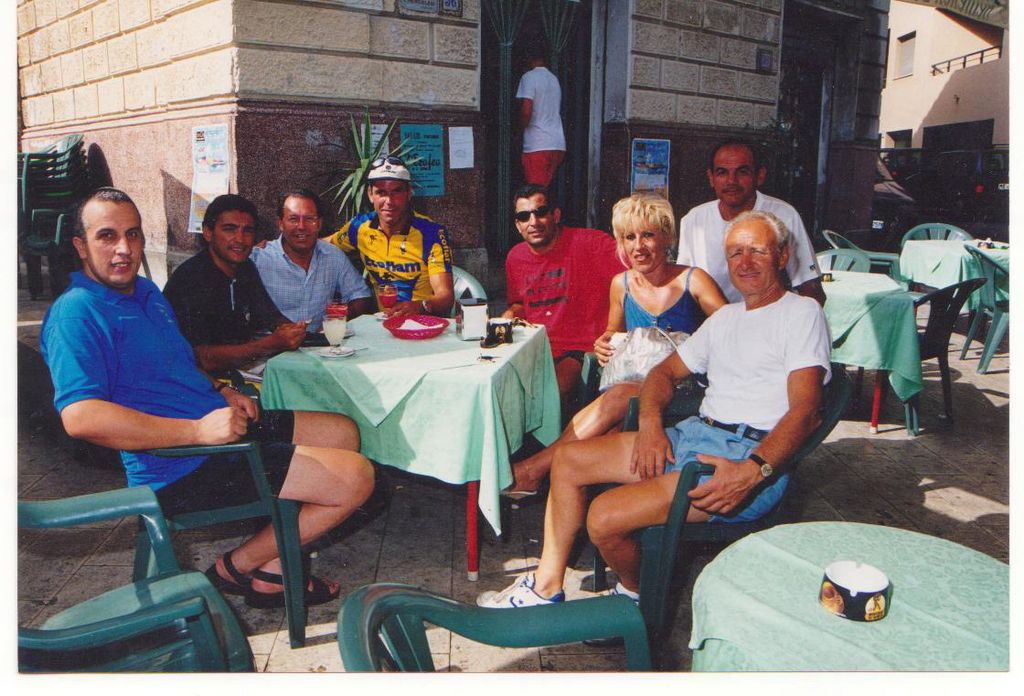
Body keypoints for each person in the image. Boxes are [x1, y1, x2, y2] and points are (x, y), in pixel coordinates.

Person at [41, 188, 375, 608]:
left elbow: (181, 360)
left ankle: (274, 571)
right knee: (356, 477)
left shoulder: (145, 291)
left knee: (342, 431)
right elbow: (81, 417)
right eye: (107, 236)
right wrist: (197, 431)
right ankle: (235, 566)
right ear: (80, 246)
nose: (124, 248)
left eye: (133, 234)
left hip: (219, 426)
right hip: (179, 463)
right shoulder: (76, 313)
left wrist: (222, 390)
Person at [478, 210, 832, 608]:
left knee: (603, 517)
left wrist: (754, 471)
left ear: (782, 256)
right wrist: (650, 425)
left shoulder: (802, 313)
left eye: (757, 251)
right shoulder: (727, 318)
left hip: (742, 456)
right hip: (694, 434)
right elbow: (663, 373)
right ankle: (547, 586)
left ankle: (637, 595)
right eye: (735, 253)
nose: (745, 262)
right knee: (569, 459)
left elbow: (805, 410)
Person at [504, 193, 726, 498]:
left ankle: (534, 470)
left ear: (667, 238)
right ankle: (572, 490)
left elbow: (731, 329)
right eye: (629, 237)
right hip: (633, 384)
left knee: (618, 399)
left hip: (682, 386)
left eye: (648, 235)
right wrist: (603, 343)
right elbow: (613, 331)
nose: (638, 246)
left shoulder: (692, 280)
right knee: (607, 428)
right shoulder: (621, 284)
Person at [502, 184, 627, 413]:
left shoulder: (591, 244)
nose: (533, 222)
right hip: (535, 348)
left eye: (540, 212)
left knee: (547, 397)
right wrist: (511, 313)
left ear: (556, 215)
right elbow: (519, 302)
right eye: (524, 216)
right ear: (518, 225)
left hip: (580, 351)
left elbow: (636, 275)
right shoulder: (515, 257)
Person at [163, 194, 306, 377]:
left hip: (243, 369)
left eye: (248, 231)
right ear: (208, 232)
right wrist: (271, 344)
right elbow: (201, 358)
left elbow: (270, 316)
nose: (240, 239)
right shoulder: (190, 279)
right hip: (200, 380)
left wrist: (293, 331)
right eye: (229, 229)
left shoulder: (245, 267)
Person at [678, 140, 825, 306]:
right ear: (711, 178)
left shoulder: (784, 215)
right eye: (722, 172)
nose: (731, 181)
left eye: (742, 172)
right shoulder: (694, 220)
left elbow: (810, 289)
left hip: (770, 317)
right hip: (712, 318)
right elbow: (684, 288)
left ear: (759, 176)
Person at [327, 156, 455, 318]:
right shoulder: (358, 227)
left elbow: (445, 297)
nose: (389, 201)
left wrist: (420, 306)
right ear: (370, 194)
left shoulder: (431, 233)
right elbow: (325, 244)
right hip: (382, 322)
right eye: (381, 192)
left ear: (408, 193)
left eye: (397, 192)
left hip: (421, 322)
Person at [250, 188, 374, 331]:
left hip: (321, 342)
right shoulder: (259, 259)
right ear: (280, 223)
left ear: (319, 224)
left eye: (309, 219)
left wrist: (335, 322)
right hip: (272, 343)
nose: (301, 226)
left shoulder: (332, 255)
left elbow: (360, 294)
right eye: (293, 219)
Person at [516, 51, 565, 186]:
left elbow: (527, 110)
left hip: (537, 144)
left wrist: (519, 131)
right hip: (557, 143)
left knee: (536, 190)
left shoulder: (529, 77)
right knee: (543, 189)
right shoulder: (554, 79)